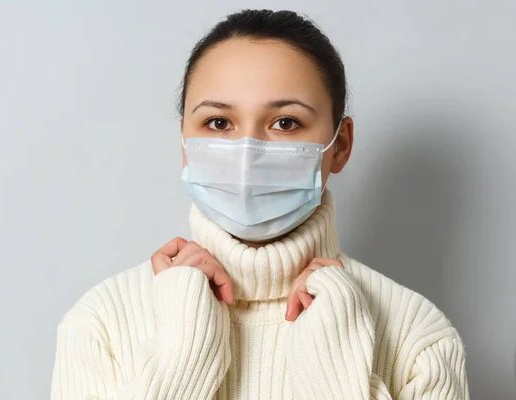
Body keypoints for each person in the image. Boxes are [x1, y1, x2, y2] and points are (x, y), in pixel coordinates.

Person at [51, 9, 469, 400]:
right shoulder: (101, 322)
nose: (247, 153)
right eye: (218, 123)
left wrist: (336, 367)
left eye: (285, 122)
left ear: (339, 145)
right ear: (185, 143)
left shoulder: (418, 336)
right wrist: (184, 354)